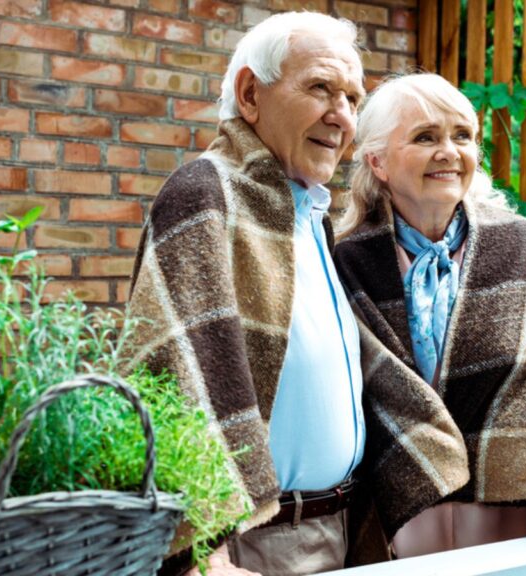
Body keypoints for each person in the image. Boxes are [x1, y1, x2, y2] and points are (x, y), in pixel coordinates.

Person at [123, 14, 467, 576]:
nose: (342, 117)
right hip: (254, 546)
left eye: (352, 99)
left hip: (337, 530)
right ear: (250, 95)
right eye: (320, 89)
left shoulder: (308, 212)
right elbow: (171, 376)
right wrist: (199, 553)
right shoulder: (207, 192)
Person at [333, 73, 526, 576]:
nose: (449, 151)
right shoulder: (347, 259)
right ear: (376, 161)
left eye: (462, 136)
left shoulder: (519, 243)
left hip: (508, 509)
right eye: (426, 137)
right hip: (398, 510)